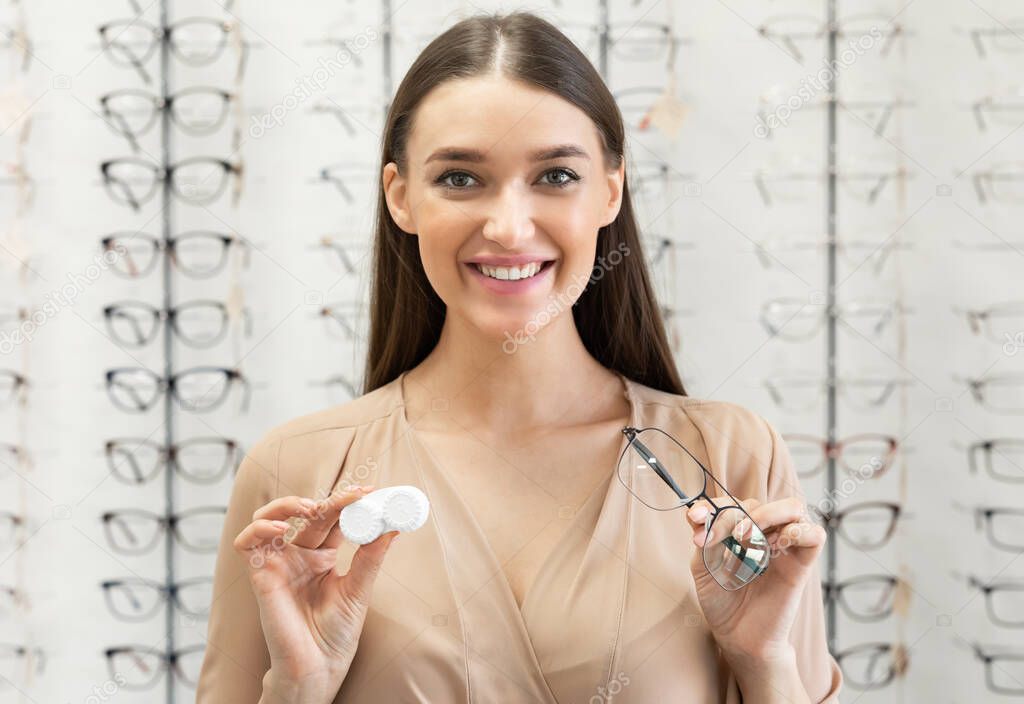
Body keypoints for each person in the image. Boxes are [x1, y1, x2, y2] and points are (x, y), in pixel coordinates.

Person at [196, 11, 842, 703]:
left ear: (611, 190)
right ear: (401, 196)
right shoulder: (297, 474)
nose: (508, 227)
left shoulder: (730, 459)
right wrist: (299, 685)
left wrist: (766, 664)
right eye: (461, 179)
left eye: (556, 175)